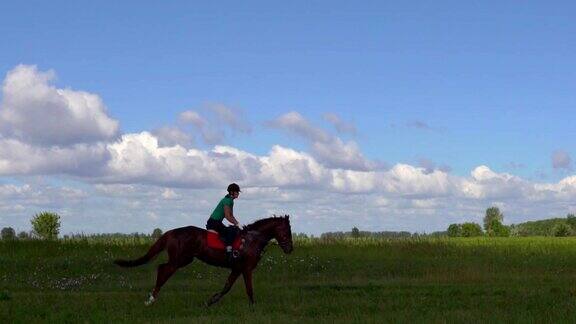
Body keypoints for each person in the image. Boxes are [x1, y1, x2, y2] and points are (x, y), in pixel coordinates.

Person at [206, 183, 241, 260]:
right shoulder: (227, 201)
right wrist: (237, 224)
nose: (238, 193)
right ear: (232, 192)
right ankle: (229, 251)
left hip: (217, 222)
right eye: (237, 192)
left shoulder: (231, 201)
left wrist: (238, 224)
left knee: (234, 229)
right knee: (231, 231)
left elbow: (231, 216)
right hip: (214, 223)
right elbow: (227, 216)